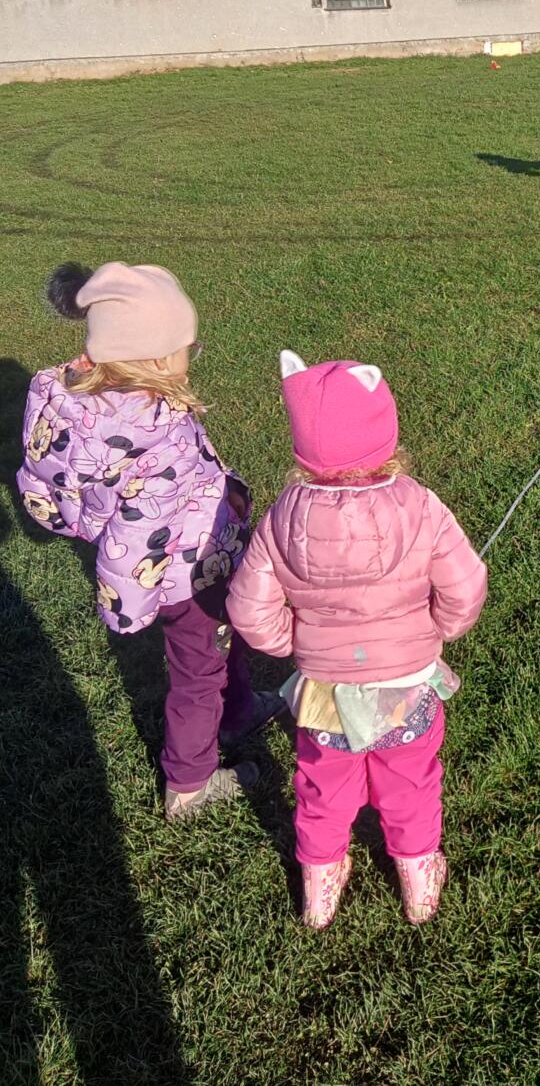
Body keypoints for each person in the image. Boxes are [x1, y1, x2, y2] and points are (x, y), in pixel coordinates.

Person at [226, 352, 487, 930]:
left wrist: (291, 642)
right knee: (410, 781)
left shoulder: (283, 516)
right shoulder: (421, 505)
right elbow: (466, 586)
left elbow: (247, 607)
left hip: (324, 691)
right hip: (406, 685)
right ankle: (418, 878)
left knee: (323, 787)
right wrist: (438, 629)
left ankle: (320, 889)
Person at [17, 262, 277, 818]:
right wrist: (129, 607)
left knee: (222, 645)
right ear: (157, 359)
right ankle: (189, 783)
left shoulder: (77, 404)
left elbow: (45, 483)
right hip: (190, 574)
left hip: (184, 559)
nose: (192, 355)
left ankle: (238, 712)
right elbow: (140, 534)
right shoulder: (160, 437)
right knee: (198, 673)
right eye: (188, 347)